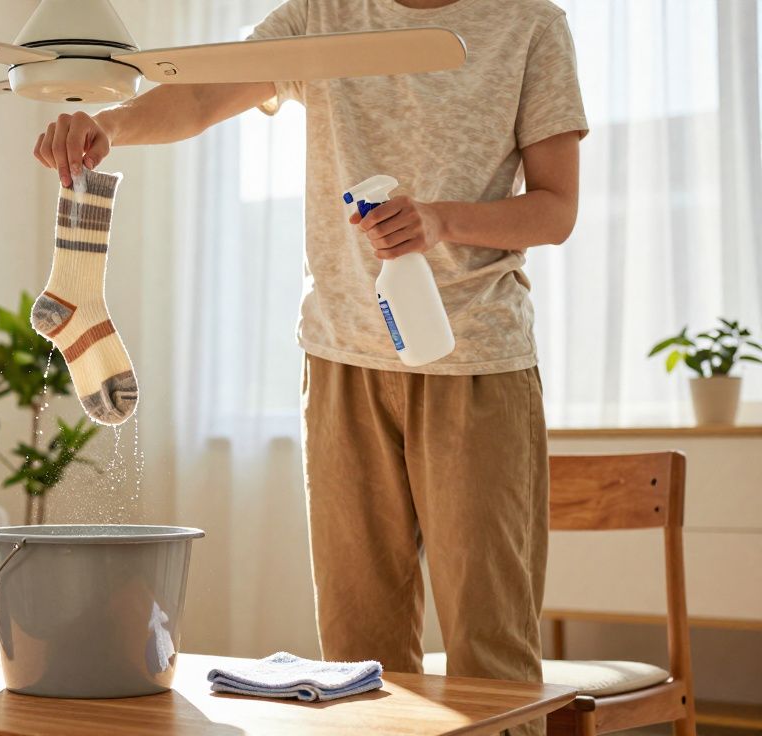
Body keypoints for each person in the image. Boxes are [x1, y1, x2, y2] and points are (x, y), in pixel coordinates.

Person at [33, 1, 585, 734]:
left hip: (478, 359)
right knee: (357, 657)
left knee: (491, 653)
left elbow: (555, 209)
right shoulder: (324, 13)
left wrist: (442, 221)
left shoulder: (528, 23)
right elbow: (201, 94)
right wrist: (111, 127)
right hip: (340, 361)